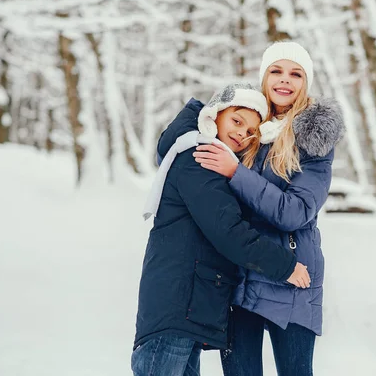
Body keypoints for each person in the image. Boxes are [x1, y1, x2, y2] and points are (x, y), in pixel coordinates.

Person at [132, 82, 312, 376]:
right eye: (237, 120)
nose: (242, 133)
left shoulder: (211, 159)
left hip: (186, 313)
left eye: (251, 131)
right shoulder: (198, 158)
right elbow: (230, 233)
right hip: (175, 310)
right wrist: (286, 265)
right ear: (214, 114)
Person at [193, 42, 345, 375]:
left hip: (291, 278)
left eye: (296, 74)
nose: (284, 81)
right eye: (276, 70)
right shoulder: (247, 127)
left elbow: (295, 212)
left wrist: (236, 172)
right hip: (240, 277)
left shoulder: (312, 138)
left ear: (306, 82)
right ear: (264, 76)